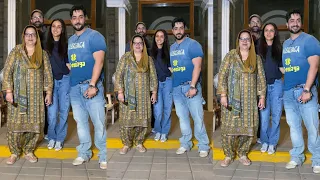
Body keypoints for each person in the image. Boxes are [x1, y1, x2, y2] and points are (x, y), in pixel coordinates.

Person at [2, 25, 53, 165]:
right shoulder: (16, 52)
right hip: (18, 97)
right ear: (23, 36)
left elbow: (48, 74)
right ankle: (14, 152)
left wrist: (48, 92)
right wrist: (8, 91)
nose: (30, 37)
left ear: (36, 37)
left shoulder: (42, 54)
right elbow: (7, 71)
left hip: (36, 98)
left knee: (34, 126)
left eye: (33, 34)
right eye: (27, 34)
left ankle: (29, 150)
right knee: (15, 126)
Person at [217, 29, 266, 167]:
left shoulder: (256, 58)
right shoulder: (231, 56)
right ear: (238, 41)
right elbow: (222, 75)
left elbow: (261, 78)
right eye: (242, 39)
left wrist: (261, 97)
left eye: (247, 39)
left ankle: (243, 153)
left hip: (250, 102)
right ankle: (228, 155)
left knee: (249, 129)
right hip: (232, 101)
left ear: (251, 42)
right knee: (229, 131)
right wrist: (223, 95)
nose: (244, 41)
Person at [68, 5, 107, 170]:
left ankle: (103, 155)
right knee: (80, 122)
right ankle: (84, 152)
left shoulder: (95, 36)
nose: (78, 20)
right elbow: (71, 62)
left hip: (92, 86)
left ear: (85, 18)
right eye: (74, 17)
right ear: (71, 20)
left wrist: (92, 84)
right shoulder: (70, 40)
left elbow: (99, 61)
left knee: (98, 122)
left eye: (80, 16)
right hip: (75, 88)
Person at [282, 9, 320, 174]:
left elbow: (314, 66)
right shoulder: (286, 44)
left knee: (312, 126)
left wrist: (306, 89)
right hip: (289, 92)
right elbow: (289, 67)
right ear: (287, 24)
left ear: (301, 23)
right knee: (294, 127)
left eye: (298, 20)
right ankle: (296, 155)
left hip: (305, 90)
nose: (295, 23)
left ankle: (317, 158)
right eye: (292, 20)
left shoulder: (310, 40)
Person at [170, 17, 209, 158]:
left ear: (185, 29)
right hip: (177, 89)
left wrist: (192, 86)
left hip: (191, 86)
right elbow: (175, 66)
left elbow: (197, 66)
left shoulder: (193, 44)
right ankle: (185, 143)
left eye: (181, 27)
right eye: (176, 28)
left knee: (198, 117)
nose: (178, 30)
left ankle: (203, 145)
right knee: (182, 118)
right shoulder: (172, 47)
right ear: (173, 31)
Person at [114, 34, 158, 155]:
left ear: (143, 45)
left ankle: (139, 142)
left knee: (143, 122)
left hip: (143, 97)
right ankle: (126, 143)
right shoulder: (126, 58)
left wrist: (154, 92)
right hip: (128, 96)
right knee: (126, 122)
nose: (138, 45)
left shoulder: (148, 59)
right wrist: (120, 92)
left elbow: (153, 76)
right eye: (135, 43)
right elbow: (119, 75)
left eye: (140, 43)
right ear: (132, 45)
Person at [257, 23, 284, 155]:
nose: (268, 33)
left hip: (277, 84)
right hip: (262, 87)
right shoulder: (257, 48)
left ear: (275, 33)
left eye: (271, 30)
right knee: (264, 116)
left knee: (276, 115)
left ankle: (272, 143)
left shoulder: (279, 48)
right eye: (266, 30)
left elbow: (282, 68)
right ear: (263, 33)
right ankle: (265, 141)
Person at [46, 18, 71, 151]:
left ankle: (60, 139)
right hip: (50, 82)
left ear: (62, 30)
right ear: (50, 29)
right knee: (52, 112)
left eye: (59, 26)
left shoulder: (67, 45)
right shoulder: (45, 45)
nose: (56, 29)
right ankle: (51, 137)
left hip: (65, 79)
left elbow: (70, 63)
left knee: (64, 110)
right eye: (53, 26)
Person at [151, 29, 173, 142]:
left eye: (162, 36)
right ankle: (158, 130)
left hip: (168, 82)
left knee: (167, 109)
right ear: (154, 38)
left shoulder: (169, 52)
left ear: (165, 39)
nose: (159, 38)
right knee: (158, 111)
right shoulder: (150, 52)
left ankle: (164, 132)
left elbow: (172, 69)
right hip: (156, 84)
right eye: (157, 36)